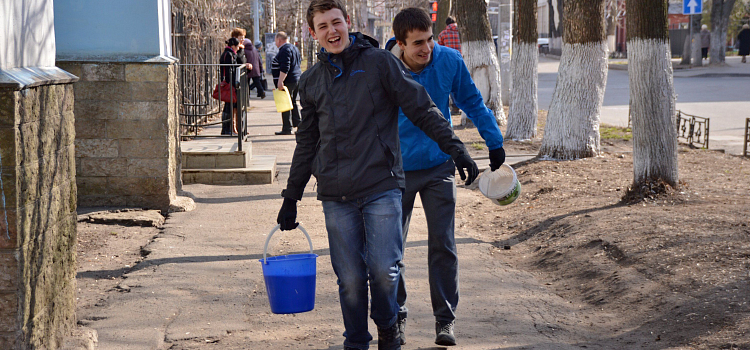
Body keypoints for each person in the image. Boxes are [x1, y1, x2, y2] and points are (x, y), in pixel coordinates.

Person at [275, 1, 479, 349]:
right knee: (351, 279)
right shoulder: (310, 83)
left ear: (348, 22)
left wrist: (455, 147)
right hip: (336, 194)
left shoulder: (380, 63)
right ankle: (356, 340)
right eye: (322, 26)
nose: (332, 31)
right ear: (313, 34)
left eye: (336, 22)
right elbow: (306, 144)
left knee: (384, 271)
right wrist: (291, 196)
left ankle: (387, 328)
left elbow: (421, 108)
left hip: (381, 186)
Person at [385, 8, 505, 347]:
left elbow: (472, 102)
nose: (427, 49)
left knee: (444, 244)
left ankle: (445, 320)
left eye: (430, 40)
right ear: (401, 44)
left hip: (439, 164)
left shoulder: (449, 60)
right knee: (391, 249)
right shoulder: (385, 67)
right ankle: (396, 318)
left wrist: (493, 141)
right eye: (418, 44)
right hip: (397, 169)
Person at [273, 31, 302, 135]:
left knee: (285, 104)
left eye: (276, 40)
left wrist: (280, 81)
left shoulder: (285, 50)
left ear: (279, 40)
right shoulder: (294, 48)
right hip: (296, 79)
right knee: (292, 102)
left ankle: (287, 128)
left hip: (288, 80)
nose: (275, 43)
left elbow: (285, 66)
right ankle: (299, 125)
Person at [219, 37, 241, 135]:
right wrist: (232, 82)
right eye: (237, 46)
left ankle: (229, 129)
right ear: (233, 46)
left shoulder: (229, 54)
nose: (238, 48)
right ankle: (226, 129)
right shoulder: (228, 54)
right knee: (228, 106)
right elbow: (228, 70)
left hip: (229, 83)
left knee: (229, 106)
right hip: (229, 84)